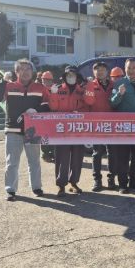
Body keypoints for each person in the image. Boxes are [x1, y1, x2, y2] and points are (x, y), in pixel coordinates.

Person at [0, 58, 50, 201]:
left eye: (28, 69)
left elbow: (47, 106)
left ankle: (36, 187)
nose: (25, 72)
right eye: (22, 69)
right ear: (16, 72)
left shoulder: (40, 88)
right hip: (13, 130)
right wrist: (3, 81)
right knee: (12, 162)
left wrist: (36, 110)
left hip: (33, 130)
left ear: (32, 71)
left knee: (34, 161)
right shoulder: (9, 86)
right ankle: (10, 190)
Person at [49, 65, 86, 197]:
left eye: (73, 75)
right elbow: (53, 108)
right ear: (64, 77)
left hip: (78, 129)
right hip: (62, 130)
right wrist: (53, 94)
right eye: (68, 75)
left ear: (77, 77)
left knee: (77, 157)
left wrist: (79, 112)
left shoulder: (81, 91)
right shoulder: (58, 89)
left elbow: (86, 107)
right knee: (62, 158)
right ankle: (61, 185)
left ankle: (74, 182)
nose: (71, 77)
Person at [110, 59, 135, 194]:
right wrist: (119, 94)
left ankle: (134, 182)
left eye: (133, 68)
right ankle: (123, 184)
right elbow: (112, 103)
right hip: (124, 127)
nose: (131, 70)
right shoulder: (119, 83)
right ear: (125, 69)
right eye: (128, 68)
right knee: (123, 157)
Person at [83, 61, 117, 192]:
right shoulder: (90, 85)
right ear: (93, 72)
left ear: (107, 72)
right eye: (97, 69)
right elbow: (88, 101)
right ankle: (97, 180)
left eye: (103, 69)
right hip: (96, 124)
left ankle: (111, 179)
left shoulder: (113, 85)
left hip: (111, 124)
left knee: (112, 153)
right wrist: (89, 86)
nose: (100, 71)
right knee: (97, 153)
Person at [40, 70, 55, 162]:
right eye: (44, 80)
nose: (45, 81)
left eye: (47, 80)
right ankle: (45, 154)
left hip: (53, 115)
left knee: (53, 135)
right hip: (43, 115)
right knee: (44, 136)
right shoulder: (39, 89)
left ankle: (53, 152)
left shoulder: (55, 88)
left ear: (51, 80)